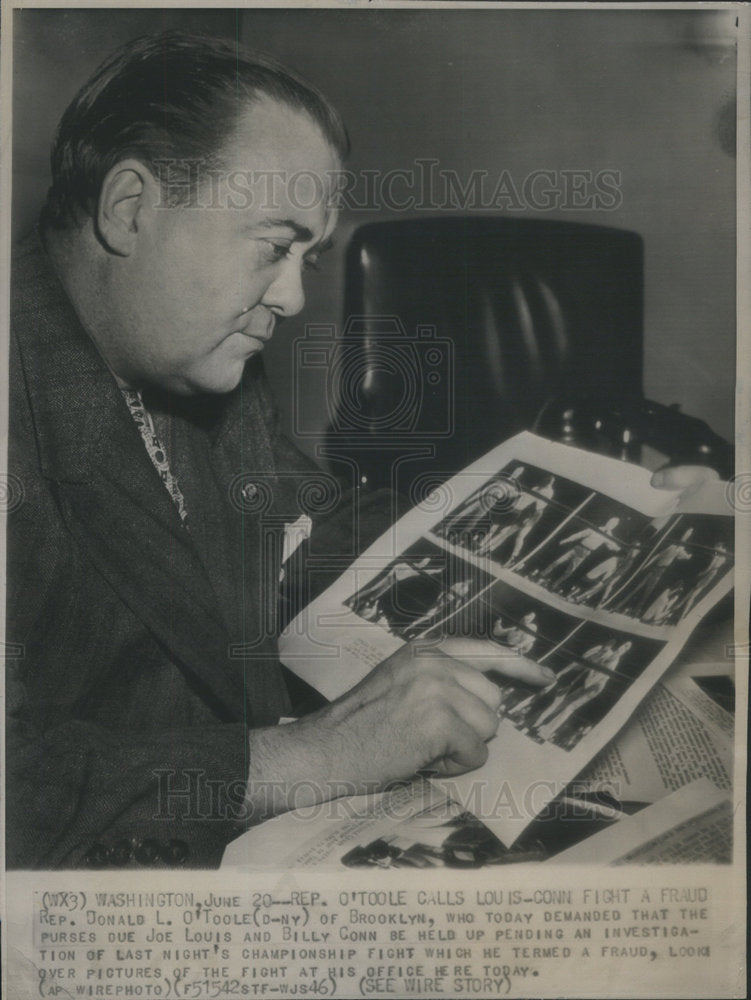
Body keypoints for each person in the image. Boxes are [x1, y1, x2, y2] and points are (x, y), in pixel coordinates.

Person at [5, 32, 717, 869]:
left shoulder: (194, 355)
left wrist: (594, 515)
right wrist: (313, 756)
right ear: (129, 208)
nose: (296, 296)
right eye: (275, 246)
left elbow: (306, 518)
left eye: (309, 256)